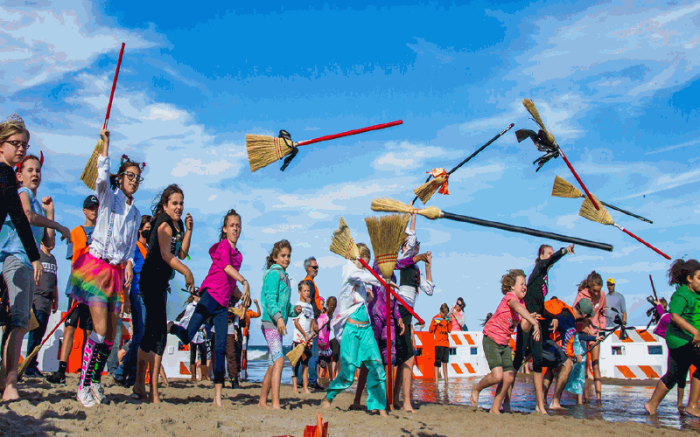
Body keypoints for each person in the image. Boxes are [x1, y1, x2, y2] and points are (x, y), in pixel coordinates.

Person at [69, 126, 143, 407]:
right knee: (99, 331)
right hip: (96, 267)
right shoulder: (108, 198)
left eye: (137, 177)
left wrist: (127, 264)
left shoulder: (135, 214)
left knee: (110, 337)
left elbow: (128, 248)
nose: (134, 181)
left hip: (115, 272)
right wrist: (106, 146)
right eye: (129, 176)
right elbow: (101, 177)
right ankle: (83, 385)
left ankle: (96, 381)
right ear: (121, 178)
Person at [1, 149, 71, 400]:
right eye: (29, 170)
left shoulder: (33, 199)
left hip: (29, 265)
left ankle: (7, 379)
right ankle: (10, 383)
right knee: (19, 322)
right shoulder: (21, 193)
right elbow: (27, 217)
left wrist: (50, 214)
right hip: (15, 259)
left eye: (38, 170)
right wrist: (59, 225)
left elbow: (48, 244)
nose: (35, 174)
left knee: (19, 324)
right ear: (19, 175)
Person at [169, 209, 249, 407]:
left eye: (238, 226)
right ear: (225, 229)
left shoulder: (238, 256)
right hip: (209, 298)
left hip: (222, 306)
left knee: (220, 348)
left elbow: (232, 286)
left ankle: (218, 398)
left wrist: (245, 297)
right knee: (188, 336)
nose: (235, 229)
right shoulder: (223, 246)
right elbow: (225, 268)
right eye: (232, 225)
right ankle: (171, 326)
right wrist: (245, 280)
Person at [134, 184, 191, 404]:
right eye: (174, 203)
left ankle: (141, 385)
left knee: (153, 334)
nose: (178, 207)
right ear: (165, 204)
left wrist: (189, 230)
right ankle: (152, 391)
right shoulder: (163, 223)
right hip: (151, 281)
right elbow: (168, 256)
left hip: (161, 283)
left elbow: (182, 253)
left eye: (181, 203)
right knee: (157, 335)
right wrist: (187, 273)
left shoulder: (176, 225)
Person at [321, 243, 389, 416]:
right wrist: (383, 281)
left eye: (367, 263)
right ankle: (329, 396)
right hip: (351, 329)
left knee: (377, 365)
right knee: (349, 373)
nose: (364, 267)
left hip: (366, 329)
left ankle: (379, 405)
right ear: (356, 260)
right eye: (363, 263)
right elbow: (363, 275)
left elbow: (362, 285)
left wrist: (368, 294)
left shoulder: (360, 279)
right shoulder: (349, 270)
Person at [512, 244, 574, 414]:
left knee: (537, 361)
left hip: (536, 320)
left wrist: (551, 316)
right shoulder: (539, 268)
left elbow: (539, 305)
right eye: (548, 254)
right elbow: (549, 261)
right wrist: (563, 251)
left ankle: (540, 406)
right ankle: (505, 398)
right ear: (541, 256)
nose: (550, 256)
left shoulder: (543, 275)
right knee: (518, 361)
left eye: (551, 254)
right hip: (527, 322)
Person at [470, 269, 540, 414]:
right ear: (513, 287)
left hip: (504, 344)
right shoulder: (510, 298)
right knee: (497, 375)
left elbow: (524, 327)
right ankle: (476, 388)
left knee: (508, 377)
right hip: (491, 339)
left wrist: (529, 319)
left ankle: (495, 408)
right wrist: (532, 321)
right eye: (521, 284)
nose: (525, 287)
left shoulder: (522, 304)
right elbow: (517, 308)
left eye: (525, 284)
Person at [46, 195, 99, 385]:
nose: (94, 211)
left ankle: (84, 372)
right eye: (90, 208)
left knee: (87, 331)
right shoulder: (76, 232)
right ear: (84, 211)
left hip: (94, 290)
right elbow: (73, 260)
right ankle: (61, 370)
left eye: (96, 208)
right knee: (69, 328)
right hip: (77, 288)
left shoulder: (102, 233)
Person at [645, 259, 700, 417]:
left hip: (686, 339)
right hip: (682, 339)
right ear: (689, 279)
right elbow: (674, 316)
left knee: (674, 373)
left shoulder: (697, 294)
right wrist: (695, 332)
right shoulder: (682, 293)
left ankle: (651, 405)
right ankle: (692, 405)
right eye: (699, 278)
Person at [258, 239, 299, 409]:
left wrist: (293, 311)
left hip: (278, 324)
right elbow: (269, 299)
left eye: (288, 256)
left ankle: (262, 401)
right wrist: (279, 317)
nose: (286, 258)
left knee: (272, 363)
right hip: (271, 323)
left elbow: (284, 306)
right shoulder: (274, 274)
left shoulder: (285, 277)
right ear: (274, 257)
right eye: (283, 255)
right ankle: (275, 403)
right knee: (280, 360)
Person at [540, 297, 599, 409]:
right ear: (585, 316)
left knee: (553, 365)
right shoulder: (570, 320)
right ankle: (555, 402)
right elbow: (568, 345)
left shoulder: (565, 312)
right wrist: (576, 357)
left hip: (540, 336)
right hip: (541, 341)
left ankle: (542, 399)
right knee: (568, 364)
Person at [113, 214, 151, 387]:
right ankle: (131, 374)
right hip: (136, 293)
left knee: (139, 336)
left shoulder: (148, 248)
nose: (148, 232)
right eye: (146, 229)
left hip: (147, 294)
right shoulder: (134, 248)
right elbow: (126, 274)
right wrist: (125, 298)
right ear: (139, 230)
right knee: (140, 336)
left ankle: (122, 373)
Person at [395, 249, 434, 412]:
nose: (416, 246)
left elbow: (430, 290)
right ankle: (405, 402)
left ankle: (397, 398)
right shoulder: (404, 260)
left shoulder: (416, 270)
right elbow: (406, 257)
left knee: (403, 356)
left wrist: (428, 267)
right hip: (399, 308)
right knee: (407, 355)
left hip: (408, 313)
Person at [24, 241, 59, 377]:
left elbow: (54, 282)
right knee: (34, 334)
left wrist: (56, 300)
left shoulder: (53, 259)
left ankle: (32, 364)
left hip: (47, 302)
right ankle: (29, 366)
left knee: (40, 335)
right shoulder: (37, 255)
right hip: (36, 299)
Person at [573, 270, 606, 403]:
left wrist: (602, 328)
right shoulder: (582, 295)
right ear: (589, 287)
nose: (597, 293)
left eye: (599, 290)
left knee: (596, 364)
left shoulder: (602, 295)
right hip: (583, 332)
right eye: (594, 290)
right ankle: (584, 397)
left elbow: (602, 312)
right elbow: (574, 313)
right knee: (584, 366)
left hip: (597, 331)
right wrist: (582, 326)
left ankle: (599, 398)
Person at [302, 256, 322, 389]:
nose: (317, 269)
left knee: (305, 351)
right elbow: (308, 302)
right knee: (313, 352)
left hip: (309, 319)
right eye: (314, 267)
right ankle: (313, 381)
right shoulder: (308, 282)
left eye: (317, 267)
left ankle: (301, 380)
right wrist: (313, 321)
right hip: (310, 321)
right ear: (308, 268)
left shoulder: (308, 282)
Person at [292, 280, 315, 394]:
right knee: (296, 363)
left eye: (308, 291)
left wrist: (311, 333)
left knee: (305, 363)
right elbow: (296, 322)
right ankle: (295, 387)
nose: (307, 293)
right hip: (298, 338)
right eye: (304, 291)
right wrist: (304, 334)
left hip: (307, 340)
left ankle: (305, 387)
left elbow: (311, 322)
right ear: (299, 292)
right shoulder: (297, 305)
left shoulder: (310, 307)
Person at [239, 298, 261, 381]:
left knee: (244, 354)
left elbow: (258, 314)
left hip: (245, 334)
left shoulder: (249, 312)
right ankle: (238, 372)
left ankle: (244, 372)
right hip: (238, 333)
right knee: (238, 353)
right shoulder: (239, 309)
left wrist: (257, 304)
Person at [319, 296, 338, 380]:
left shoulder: (327, 315)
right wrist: (319, 341)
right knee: (319, 361)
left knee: (329, 360)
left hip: (327, 340)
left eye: (322, 304)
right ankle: (319, 378)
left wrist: (325, 341)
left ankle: (331, 377)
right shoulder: (318, 316)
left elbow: (328, 330)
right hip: (320, 341)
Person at [431, 303, 451, 382]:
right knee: (437, 363)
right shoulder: (435, 318)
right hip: (438, 343)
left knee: (445, 362)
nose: (445, 316)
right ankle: (436, 381)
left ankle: (446, 380)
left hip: (446, 343)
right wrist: (435, 324)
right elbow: (430, 330)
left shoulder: (446, 319)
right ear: (441, 311)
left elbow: (449, 330)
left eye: (446, 314)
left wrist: (450, 323)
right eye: (444, 314)